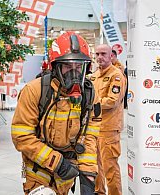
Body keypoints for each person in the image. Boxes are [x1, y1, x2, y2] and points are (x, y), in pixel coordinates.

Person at [11, 32, 102, 195]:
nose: (74, 73)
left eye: (78, 67)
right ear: (55, 66)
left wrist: (88, 176)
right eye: (68, 66)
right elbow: (21, 136)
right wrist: (57, 162)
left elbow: (89, 138)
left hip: (67, 174)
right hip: (38, 170)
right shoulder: (35, 90)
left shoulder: (89, 95)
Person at [91, 44, 126, 195]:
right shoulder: (93, 76)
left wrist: (90, 102)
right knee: (95, 167)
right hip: (93, 128)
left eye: (103, 54)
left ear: (111, 55)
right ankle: (99, 193)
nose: (100, 57)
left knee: (110, 168)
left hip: (109, 129)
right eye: (97, 54)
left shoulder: (116, 75)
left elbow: (112, 101)